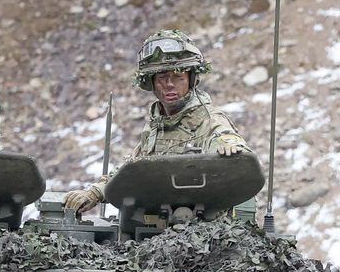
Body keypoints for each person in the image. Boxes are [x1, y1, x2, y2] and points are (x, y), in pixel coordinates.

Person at [64, 29, 250, 214]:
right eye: (162, 77)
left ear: (191, 80)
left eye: (178, 76)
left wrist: (229, 147)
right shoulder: (158, 125)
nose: (169, 84)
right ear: (151, 82)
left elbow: (225, 138)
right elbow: (133, 168)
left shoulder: (207, 119)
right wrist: (94, 193)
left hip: (198, 228)